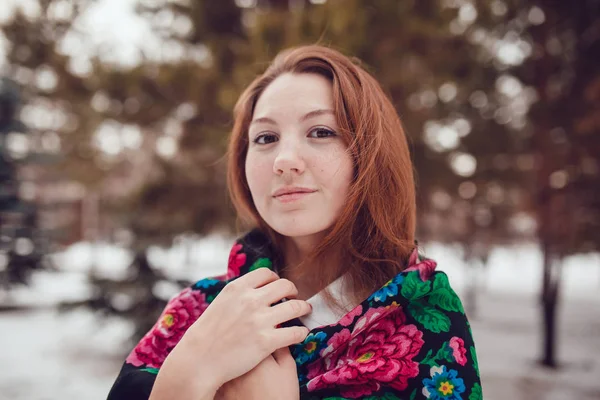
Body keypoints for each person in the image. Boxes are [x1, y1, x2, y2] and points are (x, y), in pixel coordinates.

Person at [107, 45, 482, 400]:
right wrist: (187, 376)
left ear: (370, 155)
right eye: (266, 137)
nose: (284, 159)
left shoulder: (428, 321)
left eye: (321, 132)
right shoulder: (203, 309)